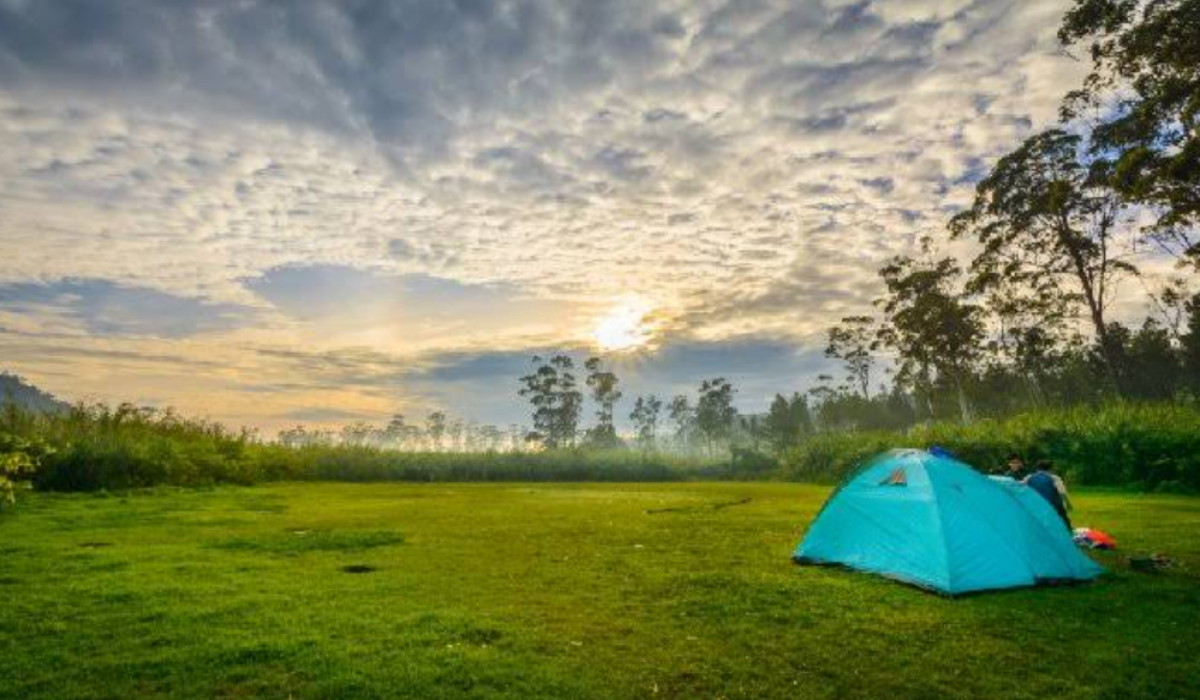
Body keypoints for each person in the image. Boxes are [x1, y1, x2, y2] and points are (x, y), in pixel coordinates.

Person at [1025, 460, 1071, 529]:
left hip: (1035, 506)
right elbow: (1062, 492)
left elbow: (1020, 486)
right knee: (1063, 523)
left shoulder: (1029, 478)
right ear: (1050, 469)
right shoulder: (1054, 478)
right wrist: (1068, 503)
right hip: (1053, 506)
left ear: (1037, 469)